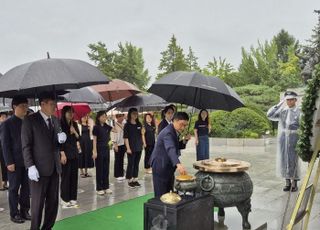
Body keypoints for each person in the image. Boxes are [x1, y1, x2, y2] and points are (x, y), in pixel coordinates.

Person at [21, 92, 66, 230]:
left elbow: (56, 145)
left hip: (54, 168)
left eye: (55, 104)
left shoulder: (55, 120)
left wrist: (61, 141)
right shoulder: (30, 120)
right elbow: (26, 145)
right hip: (38, 170)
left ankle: (47, 228)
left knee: (53, 203)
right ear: (42, 104)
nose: (54, 107)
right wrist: (30, 166)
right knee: (37, 204)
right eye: (51, 104)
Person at [0, 96, 31, 224]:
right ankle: (14, 213)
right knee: (13, 188)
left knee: (26, 188)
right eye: (22, 106)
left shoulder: (28, 121)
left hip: (28, 161)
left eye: (26, 105)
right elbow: (5, 144)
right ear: (14, 107)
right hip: (14, 162)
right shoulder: (7, 123)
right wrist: (9, 162)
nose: (25, 108)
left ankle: (25, 210)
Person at [150, 112, 191, 197]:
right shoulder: (168, 132)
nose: (183, 128)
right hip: (160, 165)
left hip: (168, 165)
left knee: (169, 192)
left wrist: (185, 140)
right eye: (181, 124)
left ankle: (167, 209)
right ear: (175, 121)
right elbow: (170, 149)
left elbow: (176, 146)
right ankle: (160, 210)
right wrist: (178, 164)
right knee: (161, 194)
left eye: (185, 125)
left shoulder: (173, 130)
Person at [267, 91, 301, 192]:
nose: (289, 101)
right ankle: (287, 183)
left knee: (293, 160)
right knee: (284, 160)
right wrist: (279, 104)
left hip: (294, 137)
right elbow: (270, 115)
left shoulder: (299, 110)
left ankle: (294, 183)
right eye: (287, 100)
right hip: (283, 138)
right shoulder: (282, 111)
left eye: (291, 99)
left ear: (295, 99)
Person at [60, 106, 80, 208]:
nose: (71, 114)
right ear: (64, 113)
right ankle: (64, 198)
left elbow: (78, 138)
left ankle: (73, 197)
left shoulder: (74, 124)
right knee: (65, 177)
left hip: (74, 153)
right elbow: (58, 141)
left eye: (72, 112)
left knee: (74, 176)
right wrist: (62, 153)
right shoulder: (60, 125)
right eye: (68, 112)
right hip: (65, 154)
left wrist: (75, 132)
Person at [92, 111, 113, 195]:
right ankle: (99, 188)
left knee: (106, 169)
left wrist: (110, 121)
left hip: (106, 149)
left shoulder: (107, 126)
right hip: (99, 149)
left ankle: (106, 186)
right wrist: (94, 151)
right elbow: (94, 140)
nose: (104, 118)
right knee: (99, 169)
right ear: (98, 117)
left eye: (105, 116)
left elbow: (114, 130)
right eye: (103, 116)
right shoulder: (96, 127)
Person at [123, 108, 143, 189]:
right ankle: (129, 180)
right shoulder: (127, 125)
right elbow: (125, 137)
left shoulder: (139, 124)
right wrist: (128, 148)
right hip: (131, 148)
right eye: (133, 113)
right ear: (130, 114)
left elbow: (141, 134)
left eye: (136, 113)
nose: (135, 115)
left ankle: (135, 179)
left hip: (138, 147)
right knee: (131, 164)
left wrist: (143, 131)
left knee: (136, 164)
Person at [111, 113, 126, 181]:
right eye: (119, 117)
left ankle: (121, 173)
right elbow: (113, 135)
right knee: (117, 160)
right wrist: (115, 145)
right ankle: (117, 174)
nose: (121, 118)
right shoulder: (114, 125)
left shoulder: (123, 124)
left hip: (123, 144)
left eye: (122, 116)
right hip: (117, 144)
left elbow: (124, 130)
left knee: (122, 159)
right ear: (117, 117)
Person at [0, 112, 8, 191]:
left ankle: (4, 183)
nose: (4, 118)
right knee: (2, 167)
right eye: (2, 117)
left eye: (5, 116)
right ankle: (2, 184)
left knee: (4, 167)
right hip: (1, 149)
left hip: (3, 149)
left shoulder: (6, 125)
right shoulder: (2, 126)